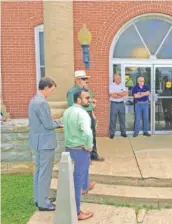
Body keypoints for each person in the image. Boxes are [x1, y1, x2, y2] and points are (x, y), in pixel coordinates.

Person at [28, 77, 62, 211]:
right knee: (44, 173)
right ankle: (43, 202)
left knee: (38, 171)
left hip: (37, 141)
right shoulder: (41, 102)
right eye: (52, 89)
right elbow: (48, 124)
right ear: (46, 87)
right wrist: (60, 122)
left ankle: (39, 198)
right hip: (45, 143)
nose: (52, 92)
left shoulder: (33, 100)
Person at [63, 88, 94, 221]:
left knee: (73, 179)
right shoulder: (82, 114)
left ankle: (84, 187)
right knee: (77, 181)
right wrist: (89, 146)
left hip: (68, 148)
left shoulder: (67, 111)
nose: (89, 100)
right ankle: (76, 212)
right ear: (78, 100)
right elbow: (87, 132)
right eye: (87, 98)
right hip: (80, 149)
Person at [67, 70, 104, 162]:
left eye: (86, 79)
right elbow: (72, 106)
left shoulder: (87, 90)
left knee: (92, 135)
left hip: (89, 115)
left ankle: (93, 154)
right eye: (84, 79)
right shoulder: (72, 92)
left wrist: (93, 113)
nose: (86, 81)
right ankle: (85, 157)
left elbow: (89, 104)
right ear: (78, 80)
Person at [109, 74, 128, 139]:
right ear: (114, 79)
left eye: (119, 78)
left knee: (122, 119)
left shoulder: (122, 85)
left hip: (121, 104)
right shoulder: (111, 86)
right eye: (117, 78)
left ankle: (123, 133)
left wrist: (117, 93)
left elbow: (125, 93)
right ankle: (112, 133)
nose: (118, 79)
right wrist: (121, 94)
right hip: (114, 104)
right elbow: (113, 95)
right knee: (113, 119)